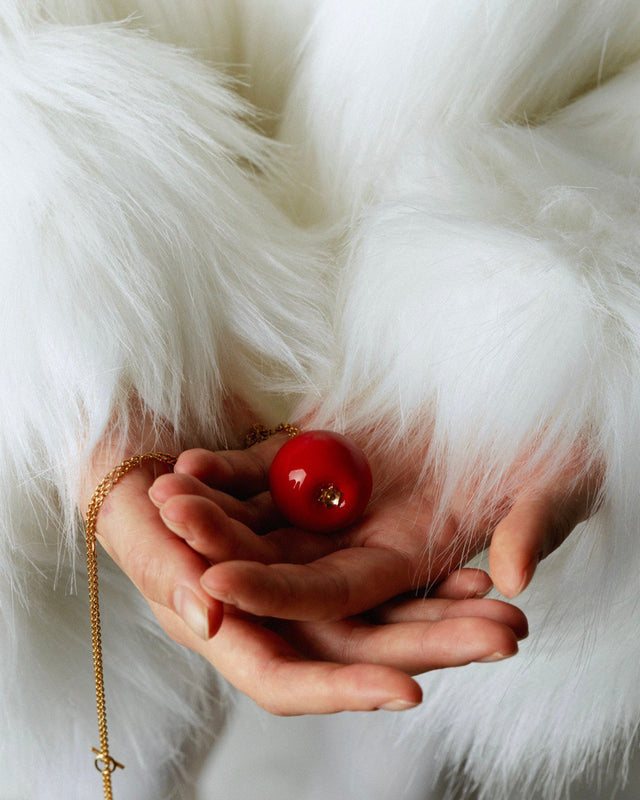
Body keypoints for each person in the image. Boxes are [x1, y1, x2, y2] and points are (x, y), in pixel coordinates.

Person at [4, 1, 640, 799]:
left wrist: (567, 342)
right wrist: (87, 337)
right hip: (156, 301)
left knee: (388, 754)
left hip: (447, 406)